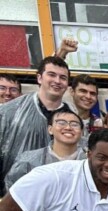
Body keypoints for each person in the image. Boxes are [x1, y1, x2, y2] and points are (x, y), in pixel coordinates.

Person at [0, 56, 71, 190]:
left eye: (63, 77)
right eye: (51, 75)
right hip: (14, 193)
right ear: (39, 78)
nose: (57, 81)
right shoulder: (10, 111)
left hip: (57, 194)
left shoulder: (72, 118)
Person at [4, 108, 86, 191]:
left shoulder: (89, 161)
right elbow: (13, 193)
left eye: (74, 124)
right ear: (50, 129)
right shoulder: (28, 161)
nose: (68, 127)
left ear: (82, 132)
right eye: (61, 123)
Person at [68, 74, 102, 146]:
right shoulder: (59, 120)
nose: (88, 96)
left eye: (92, 93)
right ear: (72, 92)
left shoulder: (100, 124)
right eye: (83, 91)